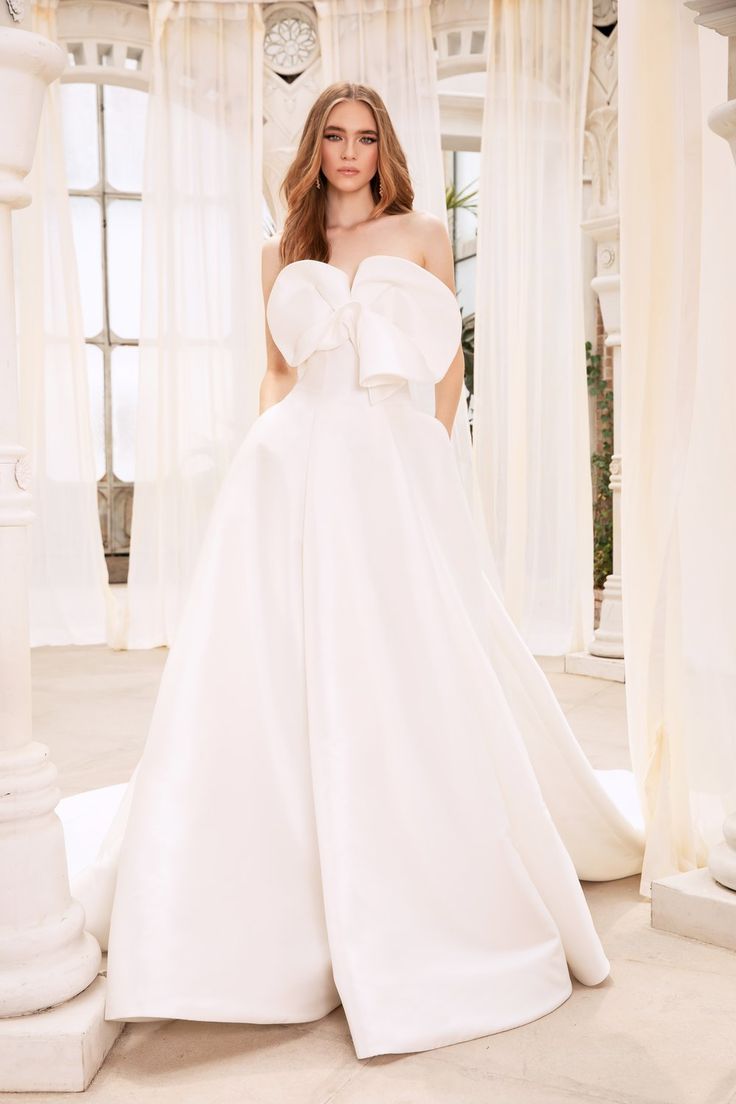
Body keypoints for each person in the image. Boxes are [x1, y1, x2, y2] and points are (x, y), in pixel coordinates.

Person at [71, 81, 644, 1061]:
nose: (348, 152)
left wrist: (429, 457)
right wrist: (260, 451)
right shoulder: (279, 252)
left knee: (398, 659)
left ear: (383, 149)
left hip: (387, 460)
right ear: (314, 146)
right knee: (270, 667)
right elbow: (278, 372)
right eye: (333, 137)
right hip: (291, 462)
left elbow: (446, 366)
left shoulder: (419, 234)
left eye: (364, 137)